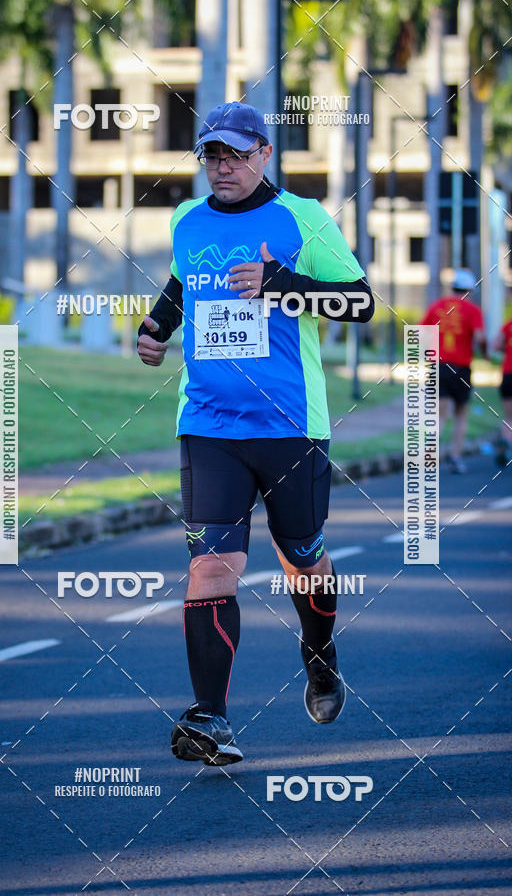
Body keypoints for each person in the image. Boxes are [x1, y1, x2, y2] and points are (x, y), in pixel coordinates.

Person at [137, 101, 374, 766]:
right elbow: (186, 283)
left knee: (301, 554)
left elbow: (360, 301)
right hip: (208, 425)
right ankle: (210, 718)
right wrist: (158, 327)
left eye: (237, 154)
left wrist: (283, 285)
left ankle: (320, 652)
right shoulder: (188, 220)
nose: (224, 165)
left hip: (291, 427)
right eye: (213, 154)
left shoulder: (301, 218)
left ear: (265, 155)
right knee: (211, 564)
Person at [421, 268, 486, 474]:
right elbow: (480, 338)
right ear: (469, 290)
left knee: (439, 415)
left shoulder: (437, 306)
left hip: (438, 366)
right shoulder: (473, 310)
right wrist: (484, 353)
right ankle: (455, 458)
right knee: (460, 415)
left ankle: (429, 457)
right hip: (461, 368)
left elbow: (421, 334)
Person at [491, 316, 512, 467]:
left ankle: (506, 444)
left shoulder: (508, 325)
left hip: (508, 374)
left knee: (509, 416)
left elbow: (496, 345)